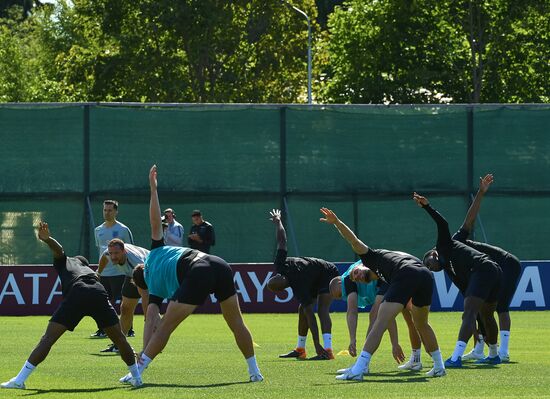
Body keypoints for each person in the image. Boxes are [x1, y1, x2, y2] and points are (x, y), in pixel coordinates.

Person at [119, 165, 263, 383]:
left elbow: (151, 323)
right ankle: (255, 372)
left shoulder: (153, 287)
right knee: (236, 323)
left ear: (141, 284)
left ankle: (137, 372)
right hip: (219, 263)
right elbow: (155, 221)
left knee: (166, 326)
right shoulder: (156, 251)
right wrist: (153, 189)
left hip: (198, 270)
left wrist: (141, 356)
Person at [1, 222, 142, 389]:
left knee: (48, 339)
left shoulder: (66, 261)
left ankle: (19, 380)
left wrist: (47, 240)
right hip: (98, 291)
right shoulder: (88, 270)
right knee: (119, 339)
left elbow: (59, 250)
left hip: (79, 291)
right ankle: (137, 378)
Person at [319, 207, 446, 380]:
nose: (356, 277)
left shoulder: (372, 257)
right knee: (420, 323)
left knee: (380, 321)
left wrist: (337, 223)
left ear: (359, 265)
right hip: (425, 275)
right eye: (357, 280)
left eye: (355, 272)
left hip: (411, 273)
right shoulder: (383, 276)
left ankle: (359, 370)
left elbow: (353, 241)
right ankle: (439, 367)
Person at [413, 192, 503, 367]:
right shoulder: (451, 271)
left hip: (484, 268)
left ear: (433, 253)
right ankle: (493, 354)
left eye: (428, 263)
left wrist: (426, 206)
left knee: (468, 314)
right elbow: (468, 296)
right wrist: (476, 327)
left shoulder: (444, 244)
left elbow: (443, 223)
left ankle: (455, 358)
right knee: (485, 315)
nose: (430, 268)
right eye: (429, 269)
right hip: (492, 272)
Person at [452, 175, 521, 363]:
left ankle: (503, 352)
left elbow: (469, 219)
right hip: (493, 269)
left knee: (500, 307)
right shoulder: (453, 267)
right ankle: (479, 348)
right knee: (480, 309)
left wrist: (481, 193)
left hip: (506, 264)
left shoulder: (454, 243)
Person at [267, 209, 339, 361]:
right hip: (312, 276)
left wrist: (279, 222)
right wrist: (278, 221)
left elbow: (282, 241)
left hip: (327, 272)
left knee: (321, 309)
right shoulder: (296, 284)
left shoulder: (281, 265)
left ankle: (328, 350)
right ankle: (300, 349)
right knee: (303, 309)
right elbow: (308, 314)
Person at [329, 262, 424, 371]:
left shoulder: (348, 279)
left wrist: (394, 343)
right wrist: (395, 343)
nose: (344, 297)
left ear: (340, 282)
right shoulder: (353, 278)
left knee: (376, 314)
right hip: (398, 276)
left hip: (390, 276)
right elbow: (388, 317)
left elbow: (352, 310)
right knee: (411, 320)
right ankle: (417, 360)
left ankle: (363, 364)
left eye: (340, 294)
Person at [97, 239, 150, 353]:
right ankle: (119, 344)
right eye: (111, 253)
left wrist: (148, 316)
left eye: (116, 253)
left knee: (151, 313)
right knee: (125, 309)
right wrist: (98, 273)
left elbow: (145, 295)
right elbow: (104, 257)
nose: (113, 257)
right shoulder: (108, 252)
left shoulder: (135, 263)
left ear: (124, 251)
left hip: (150, 273)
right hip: (131, 274)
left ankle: (153, 343)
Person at [92, 199, 135, 338]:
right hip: (104, 273)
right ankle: (103, 329)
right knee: (102, 303)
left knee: (126, 303)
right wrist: (99, 271)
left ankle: (129, 330)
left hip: (121, 272)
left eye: (110, 210)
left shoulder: (123, 229)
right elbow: (101, 251)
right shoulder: (98, 230)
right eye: (105, 210)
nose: (107, 212)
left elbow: (130, 249)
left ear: (116, 211)